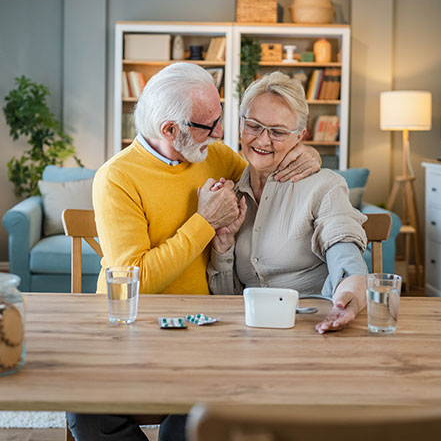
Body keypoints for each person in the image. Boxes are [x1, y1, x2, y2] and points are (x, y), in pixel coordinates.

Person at [68, 63, 321, 441]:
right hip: (130, 329)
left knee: (197, 419)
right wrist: (203, 221)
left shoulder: (215, 154)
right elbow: (135, 279)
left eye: (220, 118)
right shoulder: (116, 177)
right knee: (85, 409)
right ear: (169, 129)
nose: (220, 134)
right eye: (208, 125)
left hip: (204, 331)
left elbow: (267, 167)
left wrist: (308, 153)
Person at [207, 71, 369, 334]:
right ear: (239, 125)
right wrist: (223, 250)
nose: (262, 140)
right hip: (251, 333)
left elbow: (342, 240)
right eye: (253, 126)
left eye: (279, 132)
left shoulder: (323, 185)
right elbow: (229, 298)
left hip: (313, 328)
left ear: (300, 136)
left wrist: (351, 287)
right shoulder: (231, 194)